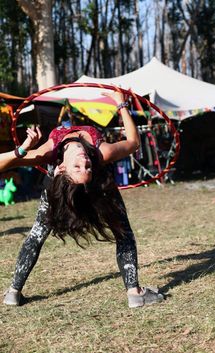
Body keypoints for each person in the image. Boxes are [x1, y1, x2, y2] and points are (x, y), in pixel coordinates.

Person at [1, 90, 164, 308]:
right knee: (122, 230)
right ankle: (135, 293)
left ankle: (13, 292)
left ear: (61, 167)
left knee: (37, 233)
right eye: (86, 166)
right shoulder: (100, 153)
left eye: (80, 166)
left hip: (68, 186)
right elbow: (133, 142)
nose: (84, 160)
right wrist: (120, 104)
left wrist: (22, 150)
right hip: (100, 184)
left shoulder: (48, 153)